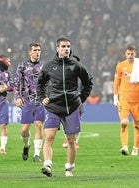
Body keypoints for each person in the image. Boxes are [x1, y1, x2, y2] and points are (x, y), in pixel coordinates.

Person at [37, 37, 93, 177]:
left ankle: (69, 168)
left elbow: (88, 82)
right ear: (57, 48)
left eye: (68, 46)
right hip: (53, 107)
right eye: (63, 46)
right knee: (49, 137)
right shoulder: (49, 66)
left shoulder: (76, 65)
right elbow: (40, 84)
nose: (66, 49)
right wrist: (42, 97)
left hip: (71, 108)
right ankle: (47, 165)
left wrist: (81, 98)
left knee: (71, 141)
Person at [14, 43, 45, 162]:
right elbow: (17, 82)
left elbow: (48, 83)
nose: (37, 52)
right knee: (24, 129)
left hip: (40, 101)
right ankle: (26, 145)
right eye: (35, 50)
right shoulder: (22, 66)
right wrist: (17, 97)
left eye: (39, 50)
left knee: (39, 125)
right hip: (26, 101)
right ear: (29, 52)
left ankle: (37, 154)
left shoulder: (44, 66)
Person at [113, 44, 139, 156]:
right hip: (124, 99)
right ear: (125, 54)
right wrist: (115, 98)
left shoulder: (138, 65)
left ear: (135, 54)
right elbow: (116, 82)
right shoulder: (120, 66)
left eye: (132, 54)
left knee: (137, 125)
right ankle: (124, 146)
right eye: (128, 54)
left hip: (137, 100)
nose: (130, 56)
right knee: (124, 123)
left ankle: (135, 148)